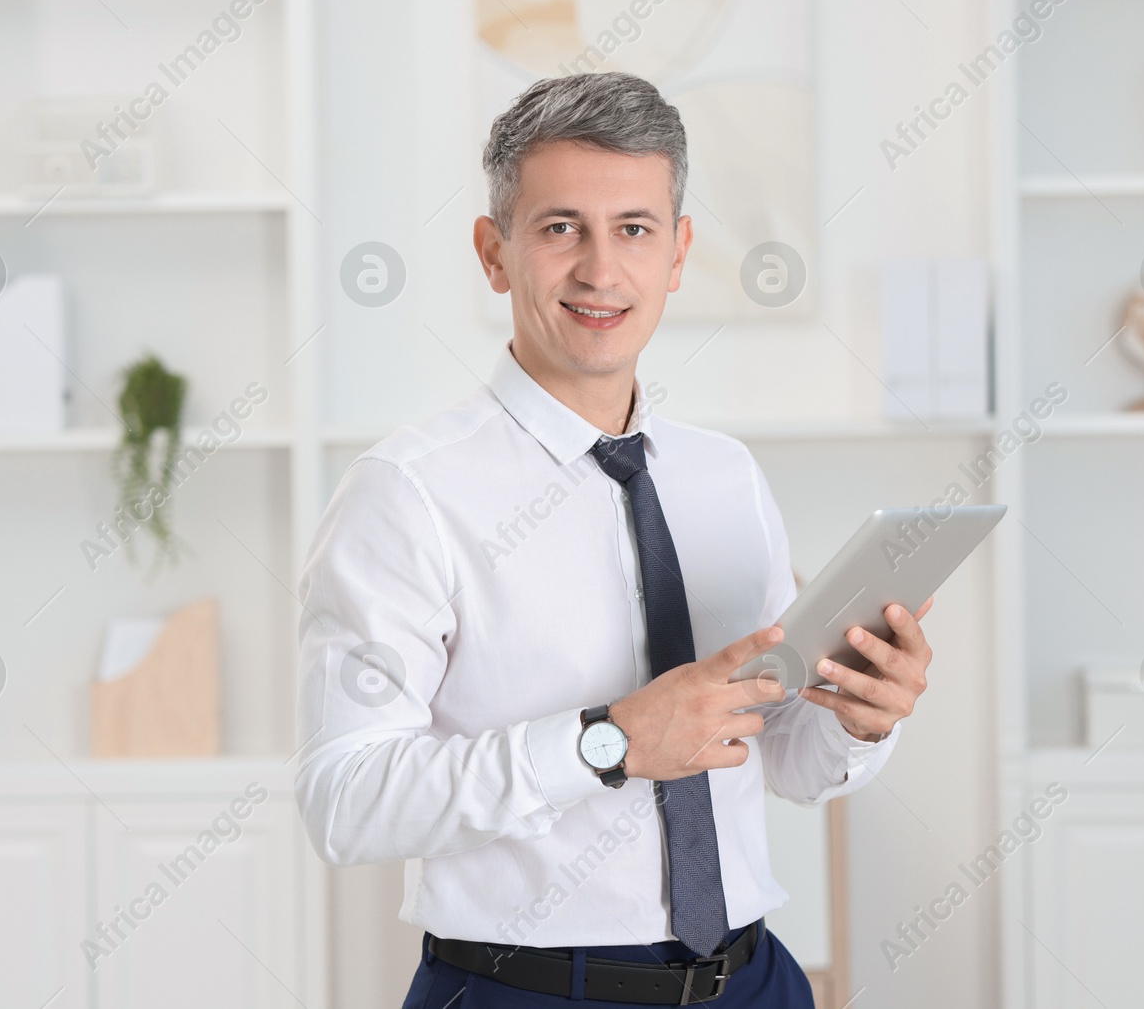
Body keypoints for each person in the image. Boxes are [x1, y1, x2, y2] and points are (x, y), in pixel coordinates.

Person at [294, 71, 934, 1007]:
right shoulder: (406, 494)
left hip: (753, 980)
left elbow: (785, 758)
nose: (601, 269)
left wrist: (860, 715)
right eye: (561, 228)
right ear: (493, 251)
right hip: (528, 990)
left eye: (633, 228)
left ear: (677, 253)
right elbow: (342, 802)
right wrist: (610, 743)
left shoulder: (727, 477)